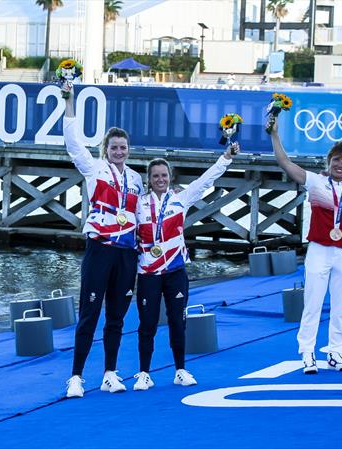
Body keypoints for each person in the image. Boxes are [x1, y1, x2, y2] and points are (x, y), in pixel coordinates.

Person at [131, 142, 237, 391]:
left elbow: (205, 181)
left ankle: (180, 370)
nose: (160, 179)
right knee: (146, 324)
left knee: (178, 321)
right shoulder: (138, 203)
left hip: (175, 271)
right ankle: (144, 373)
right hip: (148, 273)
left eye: (164, 175)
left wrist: (225, 158)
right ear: (149, 179)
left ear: (170, 178)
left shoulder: (181, 198)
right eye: (155, 176)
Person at [61, 85, 144, 398]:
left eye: (123, 147)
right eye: (114, 148)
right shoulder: (94, 170)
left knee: (117, 317)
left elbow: (142, 213)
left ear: (128, 149)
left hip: (126, 253)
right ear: (105, 150)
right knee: (89, 315)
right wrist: (69, 102)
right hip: (99, 249)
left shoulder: (136, 179)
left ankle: (110, 372)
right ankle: (76, 377)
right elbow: (72, 143)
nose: (119, 152)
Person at [268, 115, 342, 374]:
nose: (340, 164)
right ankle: (307, 352)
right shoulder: (316, 181)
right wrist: (275, 134)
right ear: (328, 162)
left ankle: (336, 352)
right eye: (336, 160)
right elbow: (285, 163)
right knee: (313, 303)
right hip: (320, 249)